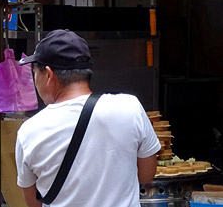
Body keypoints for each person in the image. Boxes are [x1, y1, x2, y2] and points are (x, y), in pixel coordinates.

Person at [15, 30, 160, 207]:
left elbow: (33, 203)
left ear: (48, 74)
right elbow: (146, 175)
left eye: (34, 72)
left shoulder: (29, 132)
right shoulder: (130, 107)